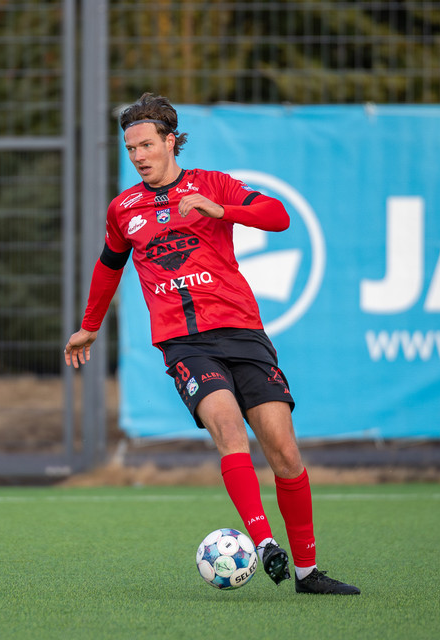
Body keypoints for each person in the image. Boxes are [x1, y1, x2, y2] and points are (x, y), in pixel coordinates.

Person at [64, 93, 359, 595]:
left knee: (285, 452)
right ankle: (264, 543)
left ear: (171, 142)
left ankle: (308, 574)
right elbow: (109, 265)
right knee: (228, 428)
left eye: (146, 145)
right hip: (184, 343)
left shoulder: (212, 184)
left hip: (243, 332)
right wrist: (90, 325)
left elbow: (278, 215)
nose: (138, 156)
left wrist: (220, 209)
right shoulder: (123, 209)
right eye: (130, 148)